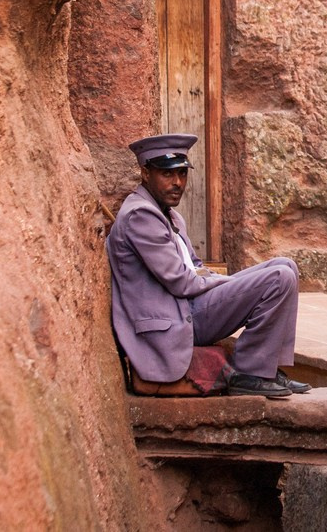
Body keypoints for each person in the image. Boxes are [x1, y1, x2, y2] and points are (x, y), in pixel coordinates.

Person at [107, 133, 310, 398]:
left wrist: (222, 282)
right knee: (278, 278)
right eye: (167, 175)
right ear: (146, 174)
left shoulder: (170, 216)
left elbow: (196, 267)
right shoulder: (140, 215)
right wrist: (228, 283)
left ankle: (267, 368)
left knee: (286, 266)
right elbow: (181, 281)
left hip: (187, 309)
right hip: (173, 322)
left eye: (182, 173)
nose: (177, 183)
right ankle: (250, 372)